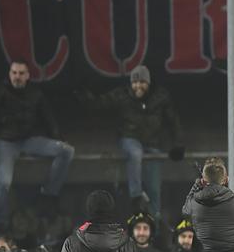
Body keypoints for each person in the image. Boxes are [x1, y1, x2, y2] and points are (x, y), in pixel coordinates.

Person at [0, 60, 75, 223]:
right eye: (14, 73)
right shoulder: (1, 90)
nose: (17, 77)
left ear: (27, 75)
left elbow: (48, 118)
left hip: (29, 140)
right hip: (6, 142)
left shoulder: (35, 94)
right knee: (4, 183)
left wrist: (58, 137)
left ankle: (48, 194)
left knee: (67, 150)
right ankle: (1, 221)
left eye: (21, 73)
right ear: (9, 74)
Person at [79, 65, 184, 215]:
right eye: (135, 82)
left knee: (154, 190)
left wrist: (178, 144)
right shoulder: (123, 94)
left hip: (153, 144)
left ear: (148, 83)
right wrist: (85, 95)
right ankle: (136, 196)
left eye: (142, 82)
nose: (138, 86)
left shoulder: (161, 97)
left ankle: (154, 223)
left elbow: (173, 121)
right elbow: (100, 103)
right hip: (130, 139)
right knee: (135, 153)